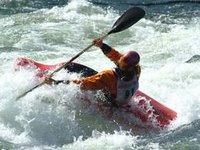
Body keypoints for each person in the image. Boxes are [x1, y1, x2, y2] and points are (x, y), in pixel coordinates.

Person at [44, 38, 141, 107]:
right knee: (98, 78)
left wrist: (56, 83)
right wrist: (102, 45)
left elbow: (83, 84)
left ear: (121, 62)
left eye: (122, 58)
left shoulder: (108, 76)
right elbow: (117, 57)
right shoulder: (136, 70)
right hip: (121, 99)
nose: (119, 57)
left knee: (72, 67)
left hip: (110, 102)